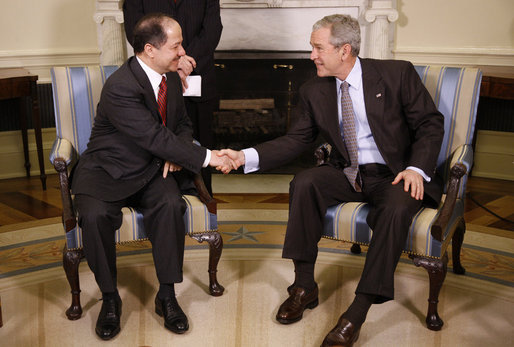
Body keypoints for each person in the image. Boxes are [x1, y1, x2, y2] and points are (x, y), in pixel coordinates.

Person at [217, 14, 444, 347]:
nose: (312, 56)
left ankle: (357, 311)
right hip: (348, 171)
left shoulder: (396, 74)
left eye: (318, 48)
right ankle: (304, 286)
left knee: (396, 211)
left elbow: (430, 124)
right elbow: (296, 140)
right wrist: (243, 156)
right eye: (312, 48)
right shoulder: (313, 90)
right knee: (304, 182)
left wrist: (416, 169)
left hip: (396, 174)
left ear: (345, 50)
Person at [71, 13, 232, 340]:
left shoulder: (170, 76)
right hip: (108, 170)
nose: (182, 52)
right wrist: (208, 157)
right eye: (176, 45)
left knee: (171, 205)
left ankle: (167, 295)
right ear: (149, 49)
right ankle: (110, 297)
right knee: (94, 215)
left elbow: (182, 126)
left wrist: (178, 153)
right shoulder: (120, 86)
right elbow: (155, 138)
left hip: (151, 169)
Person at [123, 0, 223, 195]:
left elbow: (212, 30)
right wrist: (174, 62)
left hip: (199, 78)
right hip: (156, 82)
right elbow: (136, 32)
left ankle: (202, 210)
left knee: (200, 152)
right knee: (157, 146)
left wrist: (184, 60)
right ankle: (164, 206)